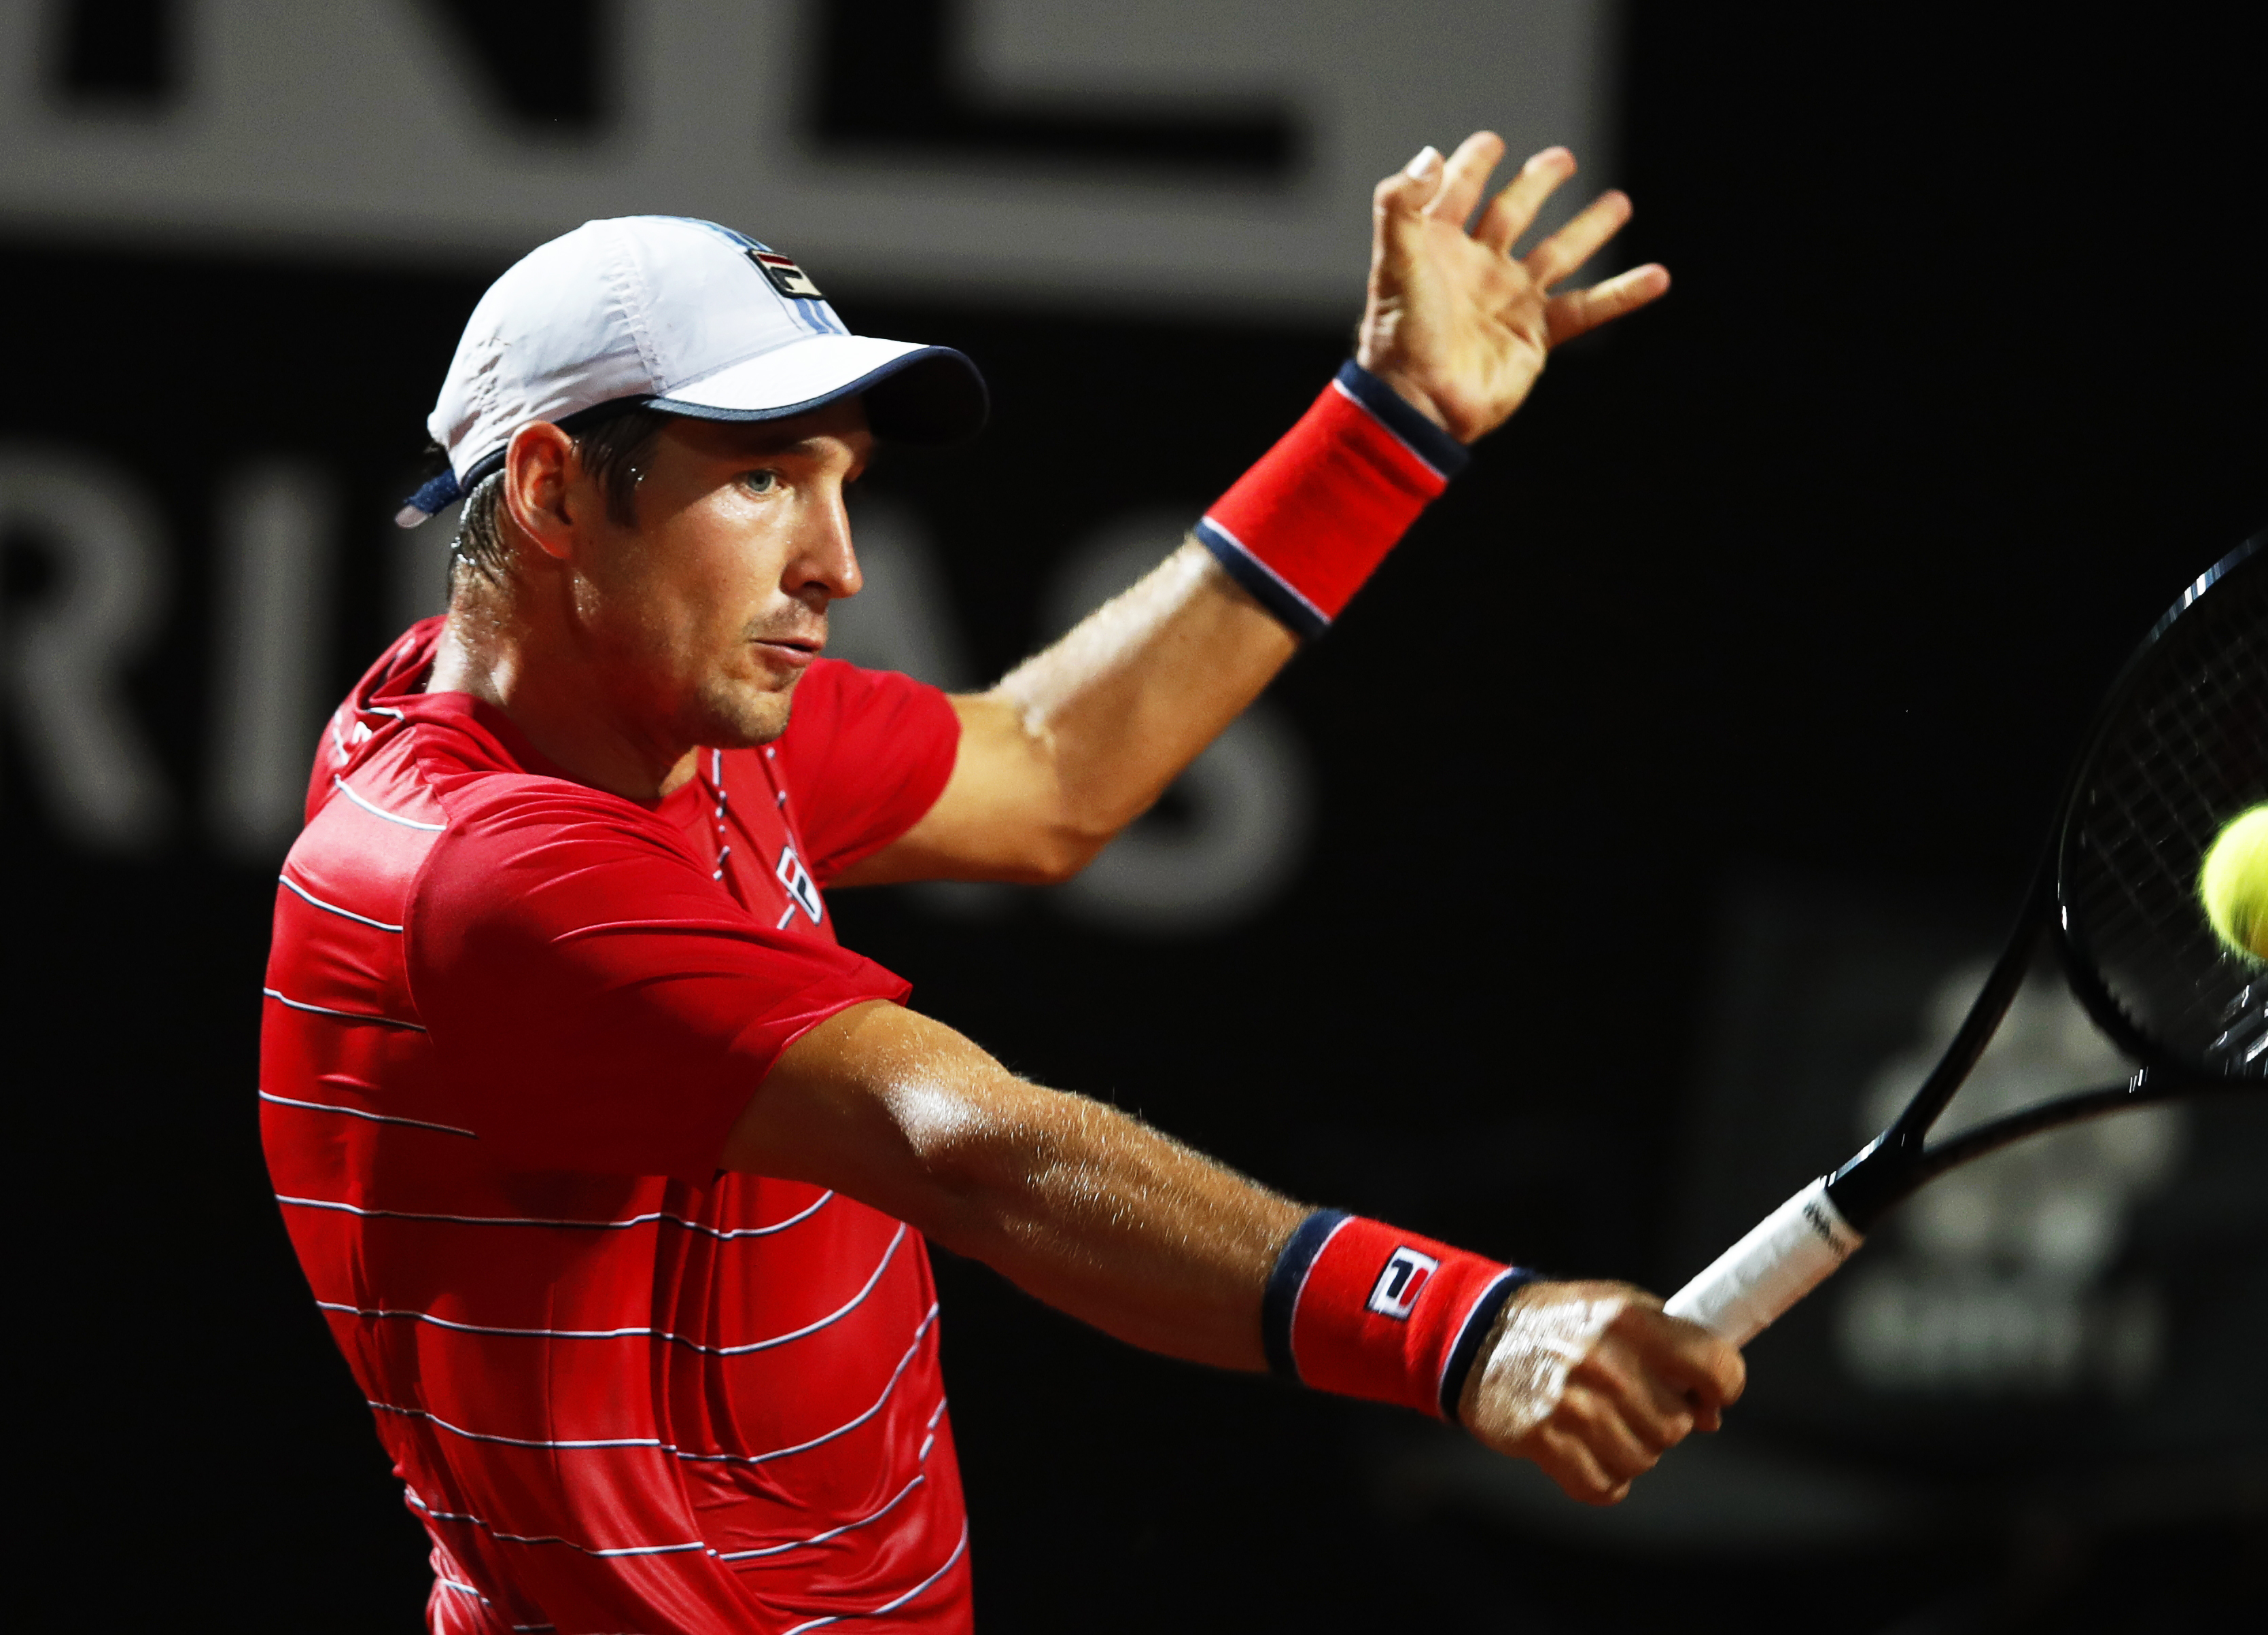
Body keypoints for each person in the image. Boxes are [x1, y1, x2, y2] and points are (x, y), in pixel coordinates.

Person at [262, 134, 1742, 1634]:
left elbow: (1048, 769)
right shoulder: (489, 877)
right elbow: (971, 1148)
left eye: (842, 481)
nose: (837, 562)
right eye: (764, 476)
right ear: (551, 490)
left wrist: (1394, 421)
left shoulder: (647, 720)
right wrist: (1466, 1329)